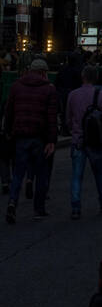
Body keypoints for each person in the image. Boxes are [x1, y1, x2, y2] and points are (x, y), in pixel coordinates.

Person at [3, 58, 57, 224]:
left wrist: (8, 133)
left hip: (20, 136)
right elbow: (51, 118)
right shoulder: (49, 89)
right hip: (39, 137)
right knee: (41, 173)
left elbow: (9, 112)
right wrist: (51, 140)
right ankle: (38, 209)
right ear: (43, 73)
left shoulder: (16, 87)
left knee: (18, 172)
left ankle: (12, 202)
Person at [66, 66, 102, 220]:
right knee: (99, 173)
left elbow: (68, 118)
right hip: (95, 141)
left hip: (78, 140)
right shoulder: (101, 95)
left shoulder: (73, 95)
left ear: (82, 76)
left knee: (76, 175)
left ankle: (75, 206)